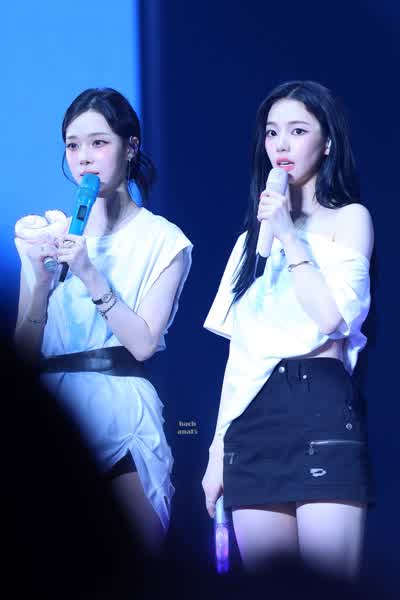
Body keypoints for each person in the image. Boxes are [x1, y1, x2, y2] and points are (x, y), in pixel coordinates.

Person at [201, 80, 374, 578]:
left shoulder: (350, 219)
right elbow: (241, 356)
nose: (281, 144)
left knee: (329, 583)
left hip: (319, 406)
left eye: (297, 131)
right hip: (251, 419)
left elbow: (331, 319)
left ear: (327, 142)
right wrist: (216, 450)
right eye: (272, 132)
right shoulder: (247, 244)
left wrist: (288, 236)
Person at [14, 87, 192, 554]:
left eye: (98, 142)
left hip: (120, 408)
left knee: (132, 558)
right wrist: (39, 283)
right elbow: (24, 354)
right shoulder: (50, 234)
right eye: (73, 145)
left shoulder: (162, 240)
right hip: (56, 411)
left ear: (130, 146)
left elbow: (143, 344)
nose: (84, 157)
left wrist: (90, 273)